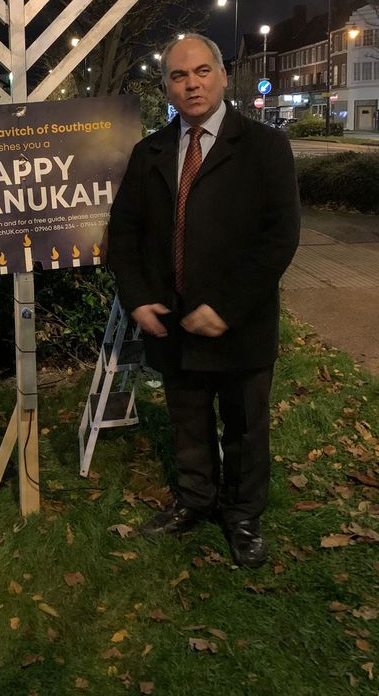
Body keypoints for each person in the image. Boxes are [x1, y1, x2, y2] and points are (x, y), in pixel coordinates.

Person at [108, 33, 300, 569]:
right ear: (166, 86)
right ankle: (195, 499)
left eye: (200, 72)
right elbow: (123, 233)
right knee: (187, 419)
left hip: (240, 323)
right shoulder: (150, 153)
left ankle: (242, 515)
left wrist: (228, 306)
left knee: (244, 424)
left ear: (220, 75)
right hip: (173, 321)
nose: (190, 84)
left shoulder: (264, 147)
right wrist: (139, 298)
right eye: (177, 75)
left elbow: (279, 237)